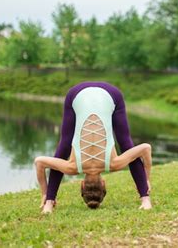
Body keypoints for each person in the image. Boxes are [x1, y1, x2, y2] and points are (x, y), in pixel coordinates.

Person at [34, 81, 152, 213]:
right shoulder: (72, 167)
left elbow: (145, 148)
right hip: (76, 94)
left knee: (127, 145)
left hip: (111, 94)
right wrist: (44, 194)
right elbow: (39, 162)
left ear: (103, 184)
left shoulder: (114, 164)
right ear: (82, 185)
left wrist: (146, 179)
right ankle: (49, 203)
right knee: (64, 146)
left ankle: (146, 199)